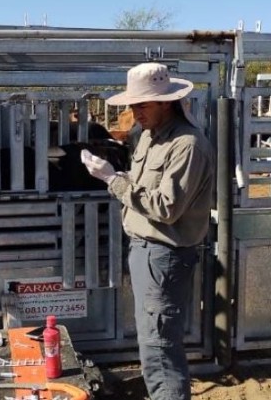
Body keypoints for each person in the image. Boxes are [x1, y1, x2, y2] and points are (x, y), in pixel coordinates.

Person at [81, 62, 215, 400]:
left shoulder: (187, 145)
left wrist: (113, 179)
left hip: (164, 255)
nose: (134, 111)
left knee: (160, 351)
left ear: (166, 102)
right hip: (147, 252)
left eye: (143, 104)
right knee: (153, 343)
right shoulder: (151, 138)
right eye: (133, 104)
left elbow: (167, 208)